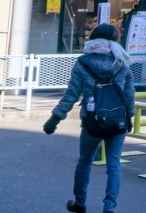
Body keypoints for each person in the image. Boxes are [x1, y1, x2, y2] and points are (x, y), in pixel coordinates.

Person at [43, 24, 136, 213]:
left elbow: (72, 94)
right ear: (115, 41)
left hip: (92, 120)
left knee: (85, 161)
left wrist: (55, 118)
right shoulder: (121, 62)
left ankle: (80, 203)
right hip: (118, 119)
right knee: (114, 163)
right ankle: (109, 207)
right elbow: (129, 94)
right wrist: (130, 117)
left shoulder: (83, 63)